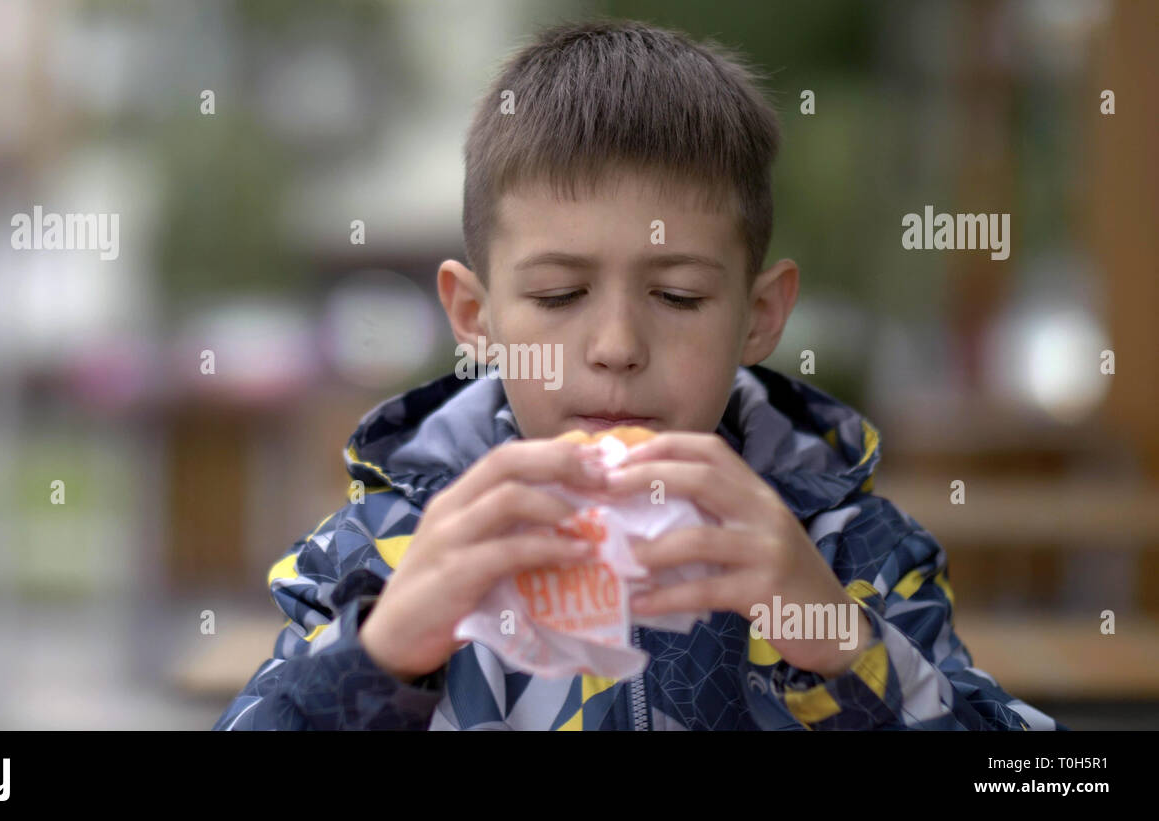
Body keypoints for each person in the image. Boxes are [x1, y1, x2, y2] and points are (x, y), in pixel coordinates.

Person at [214, 18, 1064, 731]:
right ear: (476, 318)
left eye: (679, 295)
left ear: (760, 316)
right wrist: (380, 655)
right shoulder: (378, 554)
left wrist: (845, 648)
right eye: (558, 294)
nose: (617, 343)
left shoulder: (854, 554)